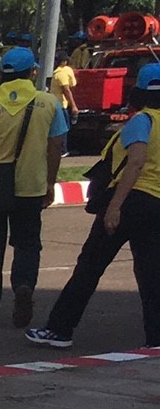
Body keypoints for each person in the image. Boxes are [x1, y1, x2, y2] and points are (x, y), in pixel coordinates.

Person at [28, 61, 160, 351]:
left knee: (89, 267)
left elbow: (136, 161)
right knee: (151, 275)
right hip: (155, 206)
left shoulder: (143, 121)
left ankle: (60, 329)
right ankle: (155, 340)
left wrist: (115, 206)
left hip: (130, 200)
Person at [0, 46, 70, 327]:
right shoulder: (49, 103)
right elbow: (56, 146)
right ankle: (24, 286)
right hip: (32, 185)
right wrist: (50, 182)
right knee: (27, 243)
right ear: (33, 72)